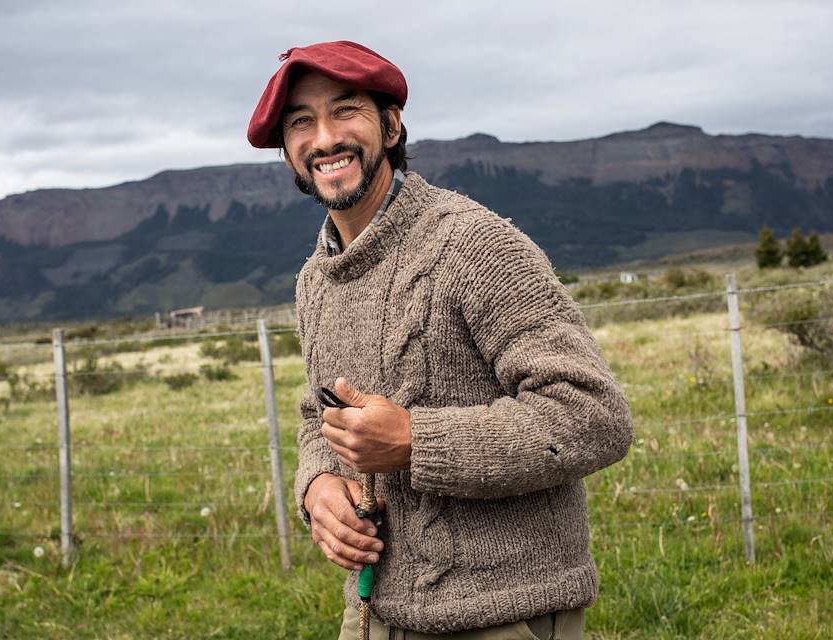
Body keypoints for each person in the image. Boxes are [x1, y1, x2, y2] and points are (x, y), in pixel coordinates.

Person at [246, 40, 634, 639]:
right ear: (288, 154)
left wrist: (414, 440)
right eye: (301, 122)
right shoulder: (314, 280)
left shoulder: (474, 246)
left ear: (391, 126)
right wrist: (317, 484)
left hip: (505, 613)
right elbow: (318, 415)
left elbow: (595, 417)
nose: (324, 138)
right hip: (371, 615)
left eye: (345, 110)